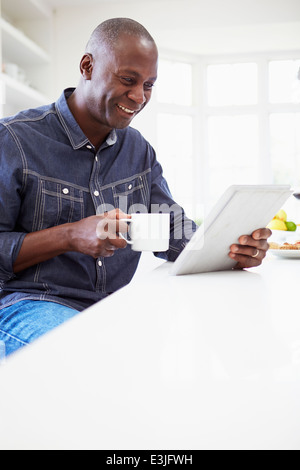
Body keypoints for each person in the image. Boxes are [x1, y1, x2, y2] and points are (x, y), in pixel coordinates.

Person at [0, 18, 271, 357]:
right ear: (87, 66)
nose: (139, 96)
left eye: (149, 85)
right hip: (30, 306)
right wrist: (69, 236)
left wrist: (231, 251)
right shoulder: (14, 139)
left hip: (114, 307)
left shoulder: (137, 150)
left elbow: (173, 229)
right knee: (83, 358)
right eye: (128, 80)